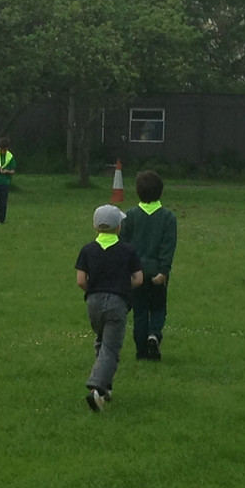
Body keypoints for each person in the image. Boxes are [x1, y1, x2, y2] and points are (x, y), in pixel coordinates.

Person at [76, 204, 144, 412]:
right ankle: (96, 388)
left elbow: (80, 280)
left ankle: (106, 388)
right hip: (117, 303)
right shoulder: (127, 250)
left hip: (93, 303)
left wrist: (94, 290)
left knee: (102, 341)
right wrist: (123, 288)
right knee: (111, 348)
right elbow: (138, 279)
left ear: (95, 227)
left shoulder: (87, 250)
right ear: (118, 228)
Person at [120, 170, 177, 361]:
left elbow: (124, 245)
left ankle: (141, 350)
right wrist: (164, 270)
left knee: (140, 311)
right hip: (157, 273)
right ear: (161, 191)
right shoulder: (168, 217)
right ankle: (154, 334)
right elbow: (168, 246)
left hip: (136, 274)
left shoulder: (130, 216)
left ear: (138, 192)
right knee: (159, 308)